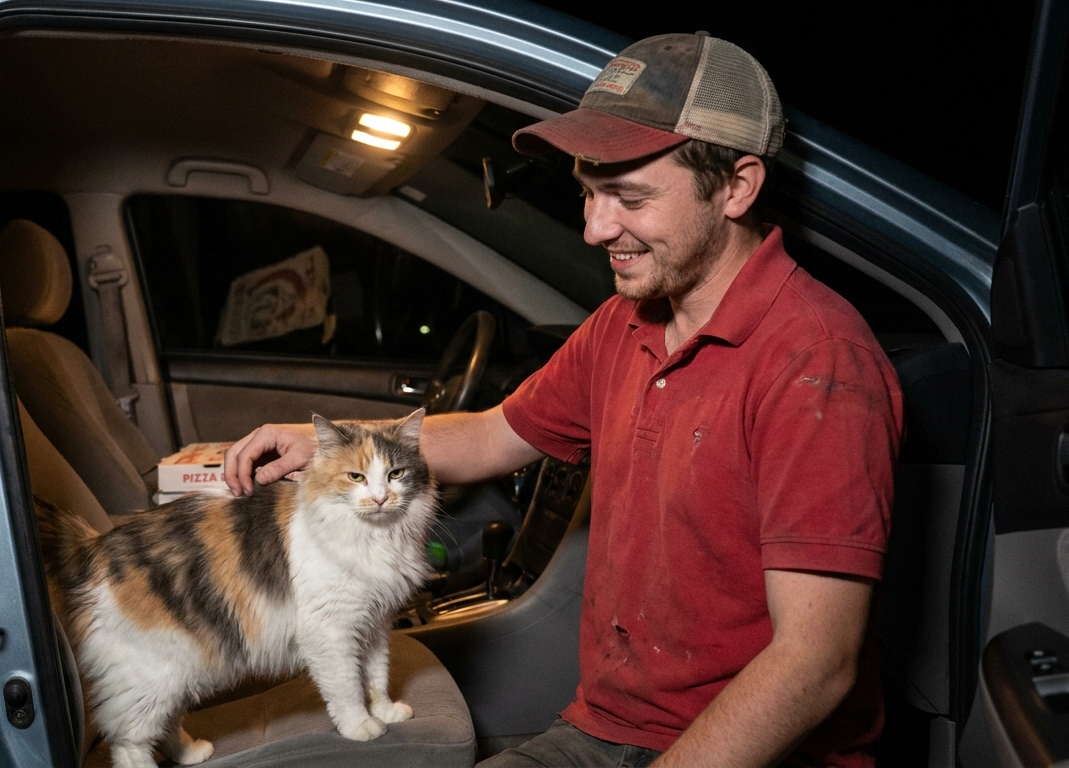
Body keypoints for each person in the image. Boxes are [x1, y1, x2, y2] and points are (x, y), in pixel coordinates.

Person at [224, 32, 902, 768]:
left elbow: (815, 663)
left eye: (630, 198)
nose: (594, 229)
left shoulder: (819, 363)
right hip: (609, 728)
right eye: (587, 192)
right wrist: (321, 442)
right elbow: (491, 435)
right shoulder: (624, 323)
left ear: (736, 187)